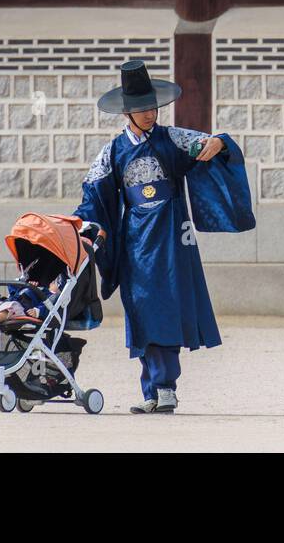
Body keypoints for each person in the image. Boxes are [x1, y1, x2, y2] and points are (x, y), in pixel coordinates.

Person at [74, 59, 255, 414]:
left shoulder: (172, 138)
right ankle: (152, 391)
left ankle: (165, 386)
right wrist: (85, 225)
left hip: (172, 235)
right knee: (141, 309)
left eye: (152, 105)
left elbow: (217, 144)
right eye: (140, 108)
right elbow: (94, 194)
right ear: (126, 112)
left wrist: (220, 143)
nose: (149, 113)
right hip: (136, 241)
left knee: (167, 305)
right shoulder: (113, 151)